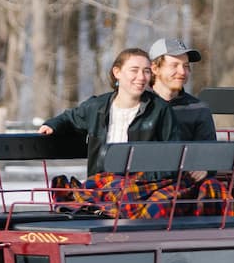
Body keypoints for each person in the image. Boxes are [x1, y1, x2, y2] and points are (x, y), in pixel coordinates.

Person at [36, 48, 179, 174]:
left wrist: (145, 176)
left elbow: (173, 155)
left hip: (143, 185)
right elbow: (69, 118)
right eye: (134, 70)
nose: (141, 77)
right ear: (117, 72)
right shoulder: (97, 106)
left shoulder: (160, 109)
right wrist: (52, 125)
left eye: (146, 71)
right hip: (102, 183)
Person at [147, 35, 217, 142]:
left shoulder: (199, 110)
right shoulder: (139, 106)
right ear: (155, 69)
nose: (182, 72)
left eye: (186, 66)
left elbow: (206, 154)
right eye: (174, 65)